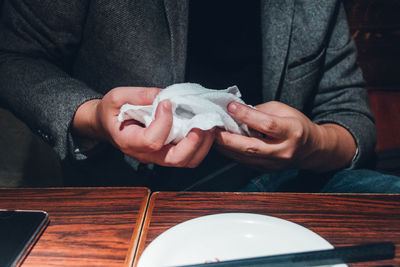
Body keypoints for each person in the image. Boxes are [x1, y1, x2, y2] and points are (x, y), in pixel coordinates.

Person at [0, 0, 399, 192]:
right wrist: (93, 116)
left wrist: (313, 143)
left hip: (285, 193)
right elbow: (13, 54)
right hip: (130, 196)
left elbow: (353, 122)